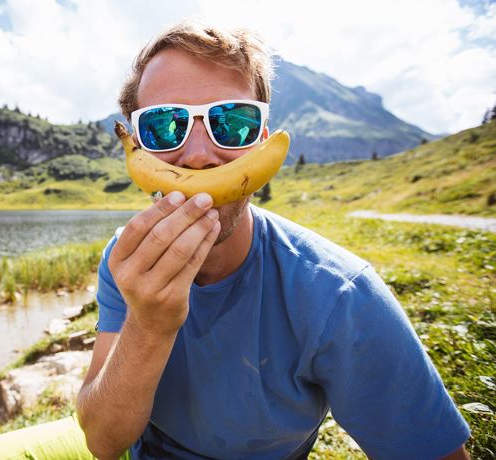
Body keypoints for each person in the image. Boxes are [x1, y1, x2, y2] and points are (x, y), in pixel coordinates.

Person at [75, 20, 471, 460]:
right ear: (139, 149)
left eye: (233, 124)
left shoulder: (339, 294)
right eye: (165, 126)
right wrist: (148, 324)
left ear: (262, 142)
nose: (200, 156)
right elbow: (103, 443)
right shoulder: (126, 261)